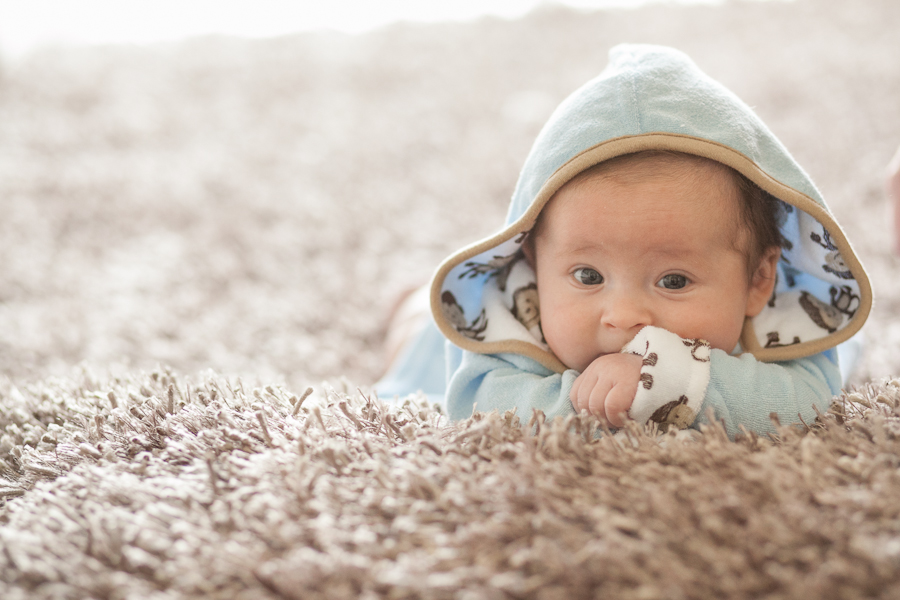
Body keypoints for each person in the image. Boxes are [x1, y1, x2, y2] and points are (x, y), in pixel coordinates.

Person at [376, 44, 872, 438]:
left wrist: (666, 380)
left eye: (673, 280)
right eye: (588, 276)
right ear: (531, 260)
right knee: (419, 336)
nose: (624, 316)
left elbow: (805, 403)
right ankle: (411, 310)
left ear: (758, 281)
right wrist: (598, 398)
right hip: (435, 346)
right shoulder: (508, 315)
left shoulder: (788, 319)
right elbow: (484, 409)